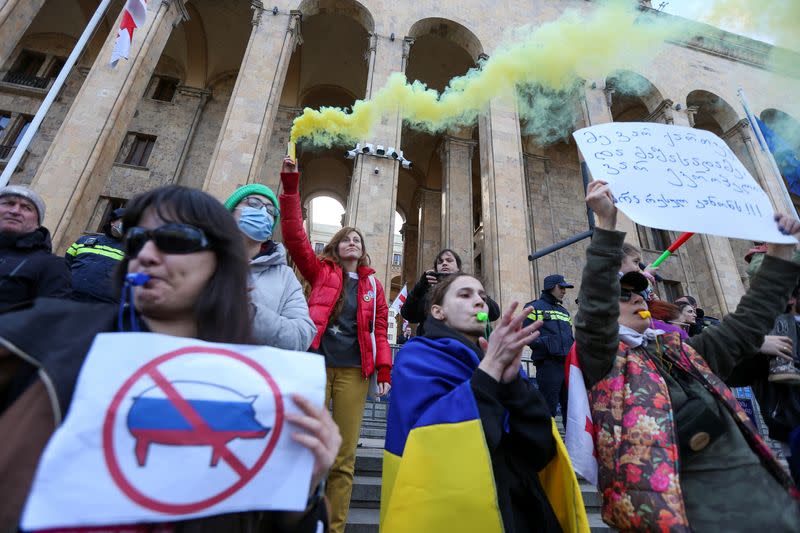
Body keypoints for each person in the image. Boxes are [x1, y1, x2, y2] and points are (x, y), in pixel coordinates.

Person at [0, 185, 340, 531]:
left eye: (175, 239)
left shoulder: (261, 394)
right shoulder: (40, 338)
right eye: (136, 241)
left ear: (223, 263)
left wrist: (303, 494)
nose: (146, 254)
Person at [574, 179, 800, 531]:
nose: (638, 298)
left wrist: (781, 254)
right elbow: (594, 307)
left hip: (766, 504)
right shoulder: (604, 360)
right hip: (691, 514)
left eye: (641, 294)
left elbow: (747, 324)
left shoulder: (680, 350)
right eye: (623, 294)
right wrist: (606, 225)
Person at [382, 273, 589, 532]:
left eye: (482, 296)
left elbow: (539, 447)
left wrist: (515, 386)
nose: (479, 302)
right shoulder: (416, 356)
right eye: (465, 295)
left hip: (518, 507)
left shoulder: (500, 361)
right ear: (438, 311)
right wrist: (490, 372)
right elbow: (437, 446)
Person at [279, 157, 391, 533]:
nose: (353, 241)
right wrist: (292, 185)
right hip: (315, 364)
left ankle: (335, 527)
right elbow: (294, 237)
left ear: (362, 250)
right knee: (303, 448)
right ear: (337, 246)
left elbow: (379, 329)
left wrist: (384, 369)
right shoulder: (320, 270)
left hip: (354, 373)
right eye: (347, 238)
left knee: (344, 458)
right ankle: (293, 522)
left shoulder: (374, 287)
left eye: (358, 239)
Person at [224, 183, 316, 350]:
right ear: (229, 212)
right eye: (253, 203)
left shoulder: (286, 277)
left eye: (271, 211)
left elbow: (302, 335)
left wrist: (251, 315)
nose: (263, 213)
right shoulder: (198, 258)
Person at [0, 185, 70, 312]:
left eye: (26, 208)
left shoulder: (52, 266)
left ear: (38, 223)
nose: (15, 211)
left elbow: (50, 319)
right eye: (9, 203)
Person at [401, 248, 500, 336]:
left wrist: (463, 284)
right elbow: (408, 314)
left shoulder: (468, 287)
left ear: (458, 268)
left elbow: (494, 313)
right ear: (436, 268)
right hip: (434, 347)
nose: (444, 263)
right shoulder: (428, 293)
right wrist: (419, 288)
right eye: (440, 262)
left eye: (449, 260)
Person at [523, 274, 575, 418]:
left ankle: (568, 441)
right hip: (548, 364)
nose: (564, 291)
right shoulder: (534, 307)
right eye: (561, 287)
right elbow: (525, 333)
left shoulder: (564, 312)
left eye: (565, 288)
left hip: (567, 365)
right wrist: (546, 345)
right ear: (550, 287)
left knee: (570, 410)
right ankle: (547, 440)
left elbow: (570, 336)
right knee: (548, 408)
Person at [65, 207, 126, 303]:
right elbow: (65, 265)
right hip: (69, 298)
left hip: (103, 306)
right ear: (112, 222)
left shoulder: (131, 251)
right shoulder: (83, 241)